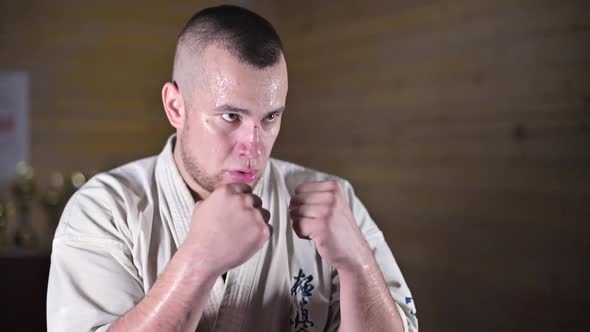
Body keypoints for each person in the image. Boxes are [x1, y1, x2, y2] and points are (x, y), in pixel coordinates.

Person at [46, 5, 418, 332]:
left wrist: (357, 264)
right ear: (176, 107)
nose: (254, 147)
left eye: (271, 117)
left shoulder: (335, 201)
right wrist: (199, 260)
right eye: (230, 116)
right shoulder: (105, 210)